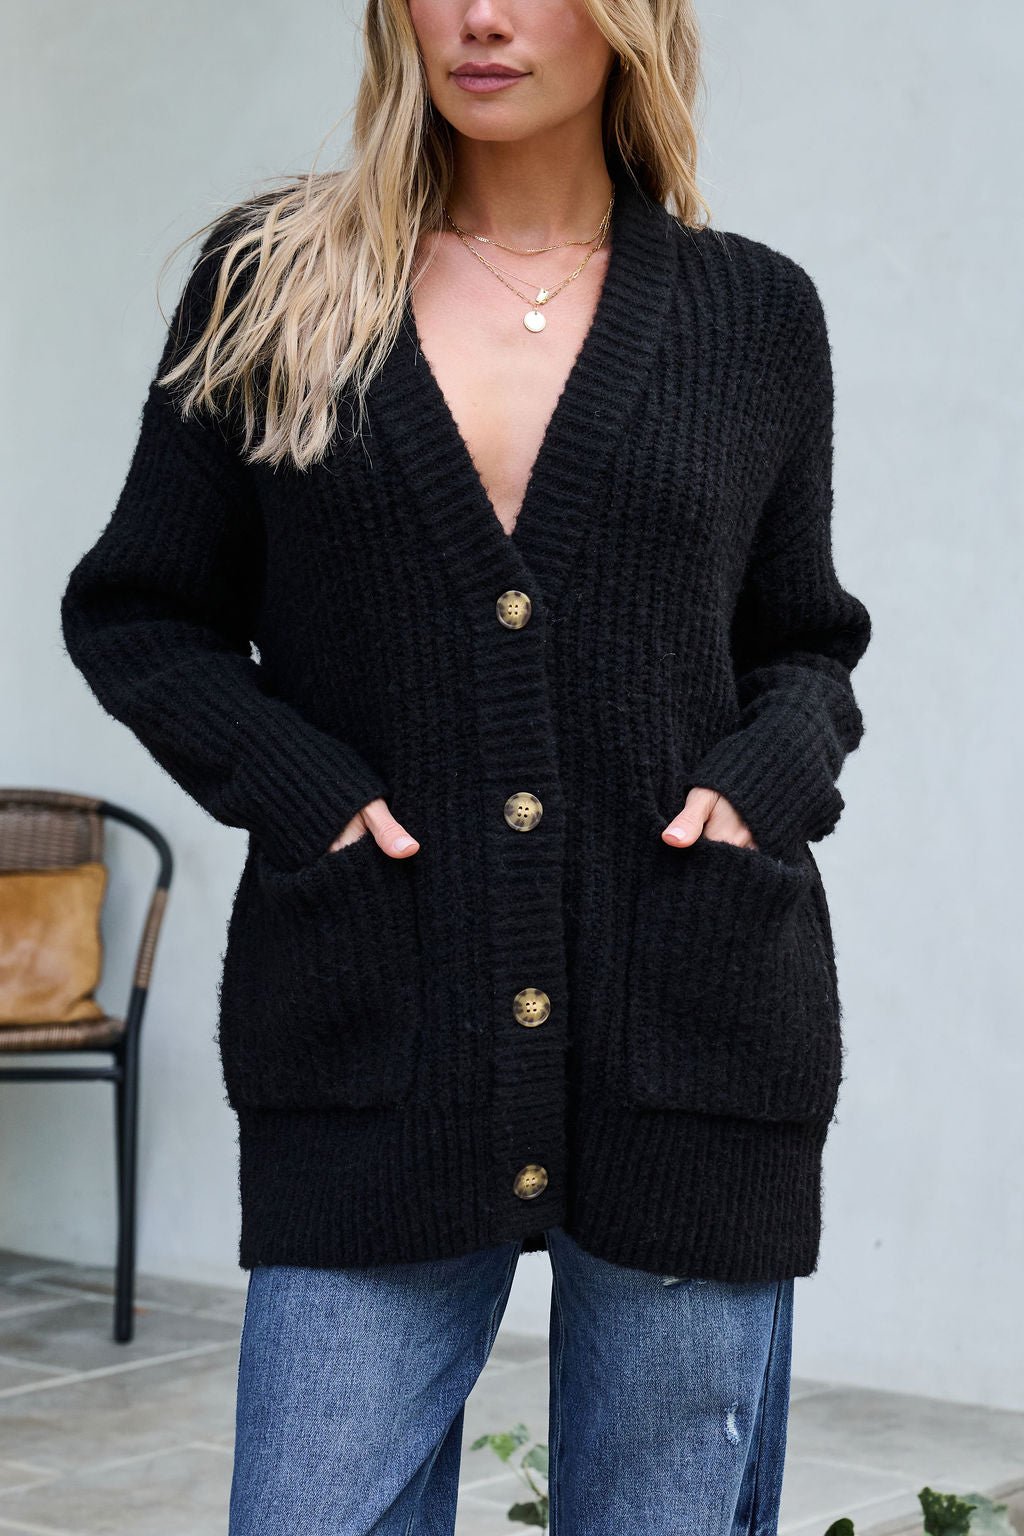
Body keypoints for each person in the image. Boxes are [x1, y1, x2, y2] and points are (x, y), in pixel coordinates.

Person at [59, 0, 872, 1529]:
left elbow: (804, 644)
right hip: (377, 1014)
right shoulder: (276, 279)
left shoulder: (753, 314)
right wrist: (302, 789)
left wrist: (765, 777)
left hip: (684, 1012)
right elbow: (140, 611)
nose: (481, 17)